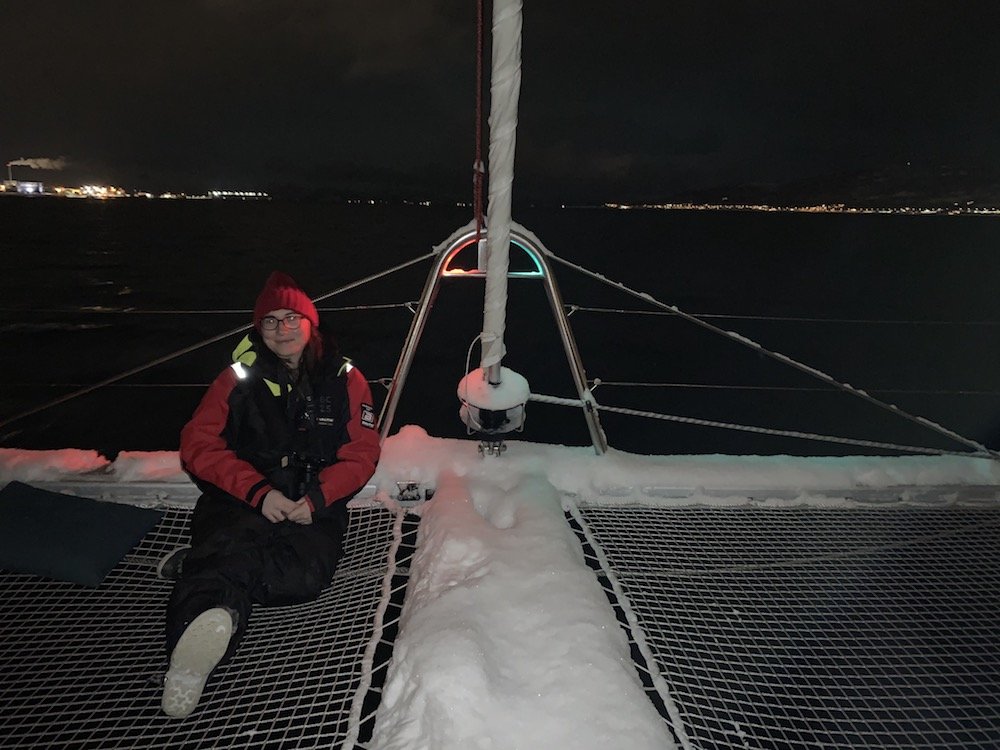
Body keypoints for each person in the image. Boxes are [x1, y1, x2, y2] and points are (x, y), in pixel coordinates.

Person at [161, 271, 381, 718]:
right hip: (242, 495)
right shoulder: (236, 378)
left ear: (310, 322)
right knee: (234, 541)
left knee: (302, 578)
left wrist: (319, 499)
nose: (282, 330)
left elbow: (362, 453)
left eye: (292, 318)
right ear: (257, 329)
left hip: (314, 501)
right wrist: (257, 492)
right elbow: (198, 445)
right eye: (271, 321)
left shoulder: (347, 379)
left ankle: (205, 572)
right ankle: (194, 651)